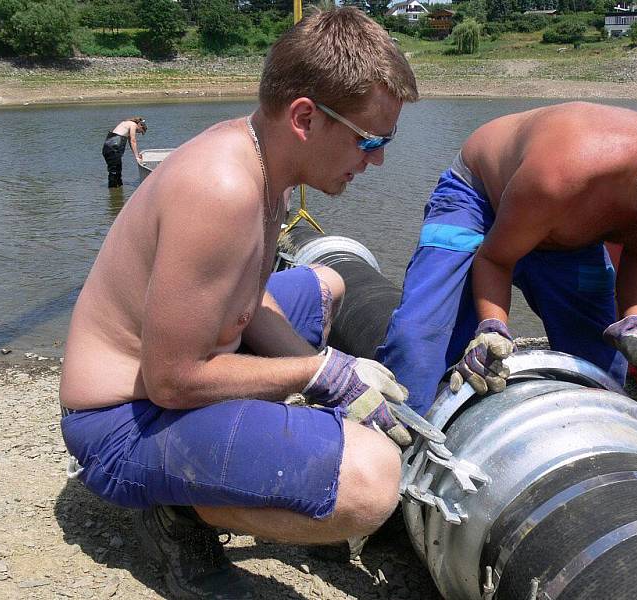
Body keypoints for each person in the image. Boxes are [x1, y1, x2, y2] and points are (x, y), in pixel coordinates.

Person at [60, 8, 418, 599]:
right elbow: (172, 381)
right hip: (121, 421)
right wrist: (320, 369)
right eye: (370, 140)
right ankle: (178, 511)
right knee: (370, 482)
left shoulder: (263, 160)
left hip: (168, 380)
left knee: (328, 285)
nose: (376, 159)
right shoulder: (221, 189)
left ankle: (236, 459)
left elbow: (248, 303)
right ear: (305, 117)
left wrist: (330, 381)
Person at [377, 102, 637, 417]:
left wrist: (634, 322)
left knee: (601, 362)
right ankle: (394, 461)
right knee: (420, 341)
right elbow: (494, 259)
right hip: (480, 198)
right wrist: (493, 328)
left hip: (569, 229)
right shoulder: (561, 176)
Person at [101, 116, 146, 187]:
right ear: (140, 125)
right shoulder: (133, 125)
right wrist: (137, 158)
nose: (137, 133)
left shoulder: (126, 123)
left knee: (118, 170)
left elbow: (131, 143)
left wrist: (137, 154)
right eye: (139, 131)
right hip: (113, 147)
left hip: (110, 147)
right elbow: (133, 141)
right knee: (114, 171)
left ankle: (116, 193)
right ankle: (113, 188)